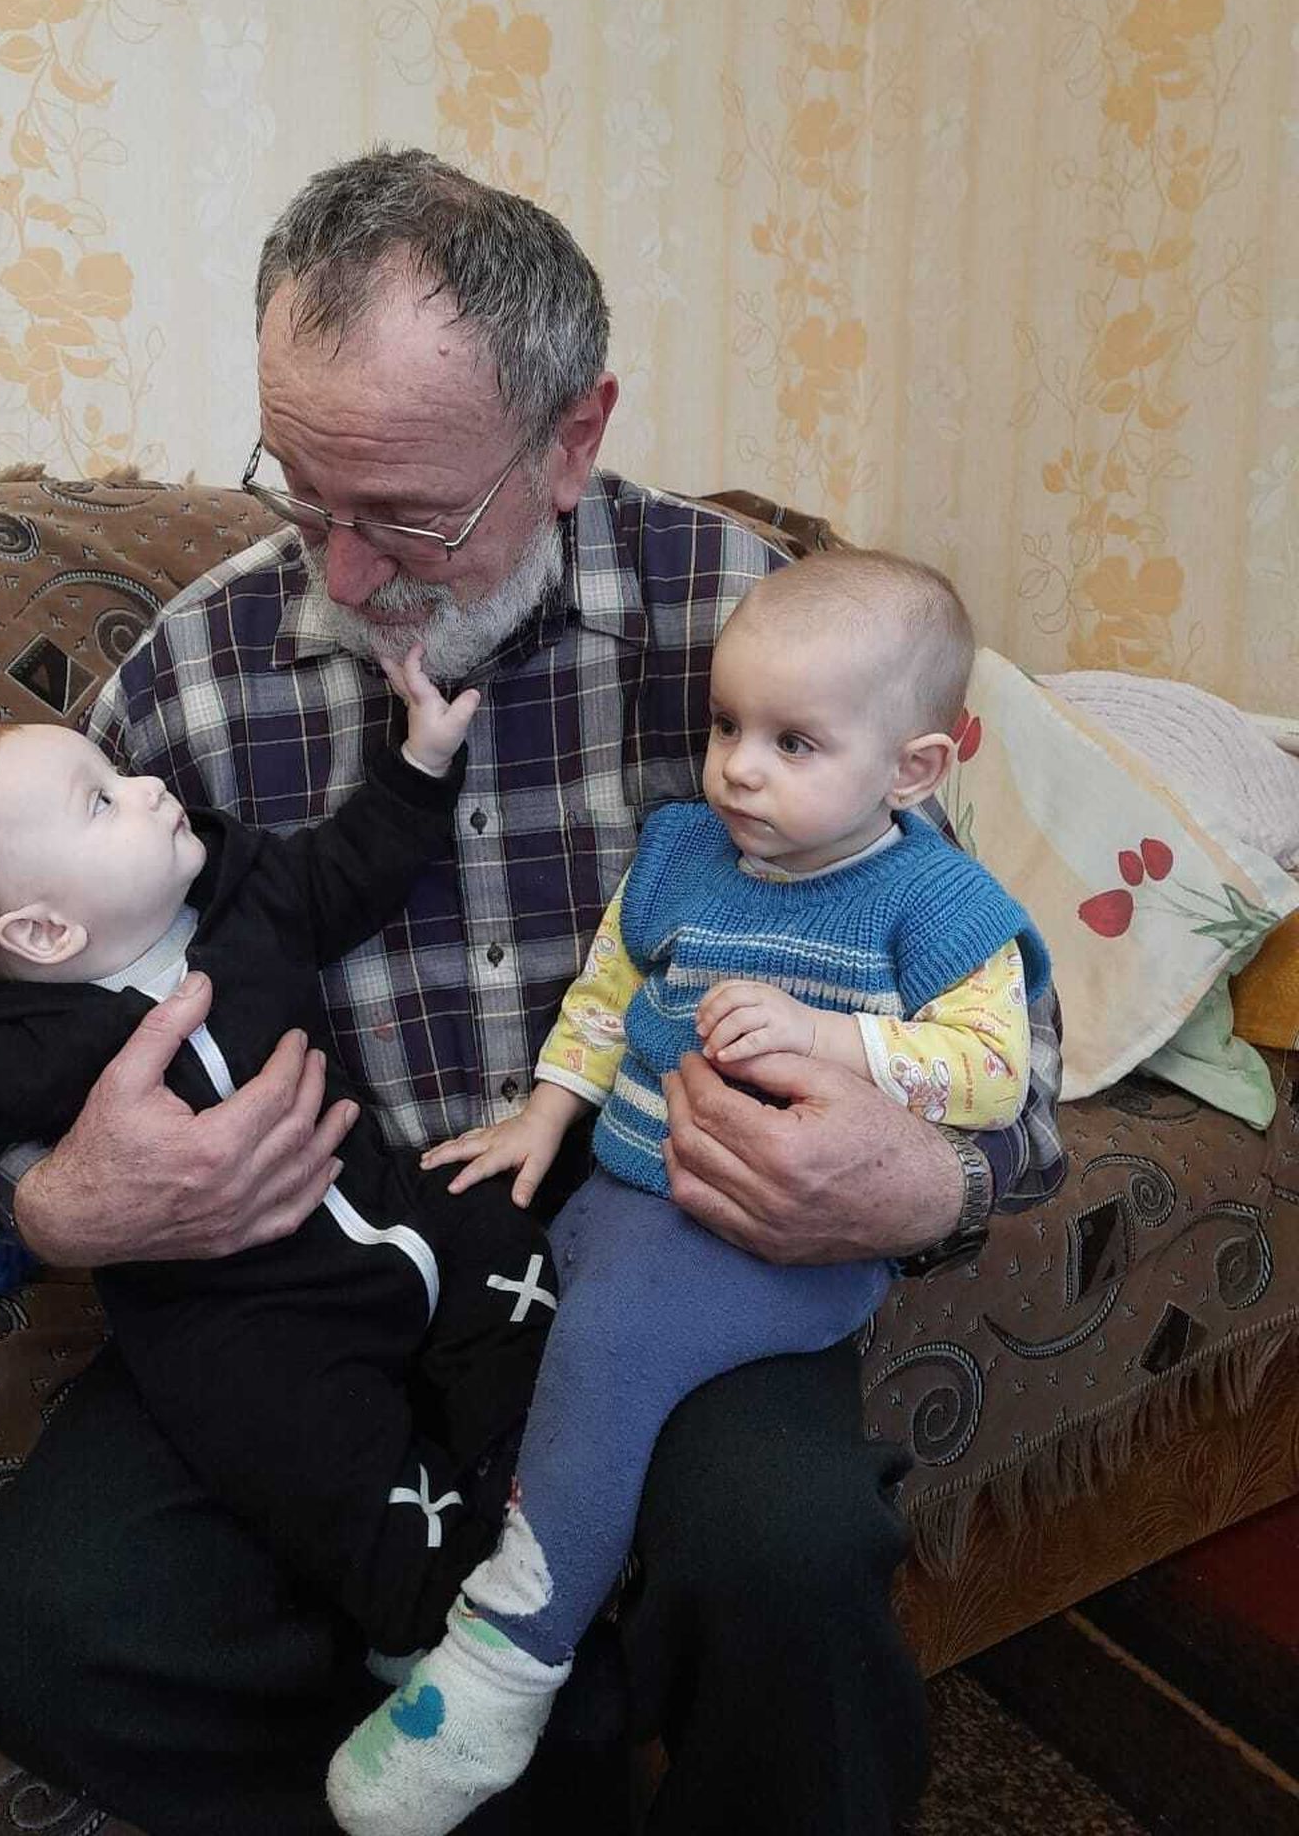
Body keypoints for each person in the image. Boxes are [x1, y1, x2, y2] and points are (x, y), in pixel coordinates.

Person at [0, 147, 1066, 1836]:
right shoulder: (192, 669)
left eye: (400, 513)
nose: (339, 564)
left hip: (665, 1233)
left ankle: (538, 1698)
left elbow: (1011, 1065)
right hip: (306, 1259)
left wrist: (937, 1176)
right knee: (47, 1637)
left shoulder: (773, 638)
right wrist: (61, 1199)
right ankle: (535, 1750)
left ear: (572, 437)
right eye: (296, 487)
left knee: (793, 1565)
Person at [327, 550, 1051, 1835]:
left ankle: (503, 1667)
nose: (739, 770)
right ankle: (439, 1619)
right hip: (622, 1192)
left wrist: (831, 1045)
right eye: (725, 727)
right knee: (523, 1337)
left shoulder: (937, 904)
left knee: (610, 1351)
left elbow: (996, 1074)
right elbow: (609, 997)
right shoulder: (681, 855)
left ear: (916, 768)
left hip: (776, 1245)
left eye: (792, 742)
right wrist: (546, 1114)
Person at [0, 666, 558, 1661]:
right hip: (246, 1323)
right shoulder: (3, 1050)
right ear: (43, 932)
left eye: (117, 773)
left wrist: (423, 761)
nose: (145, 788)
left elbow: (352, 866)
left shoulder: (245, 891)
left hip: (394, 1206)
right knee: (321, 1465)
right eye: (102, 801)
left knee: (505, 1244)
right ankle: (423, 1635)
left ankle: (521, 1487)